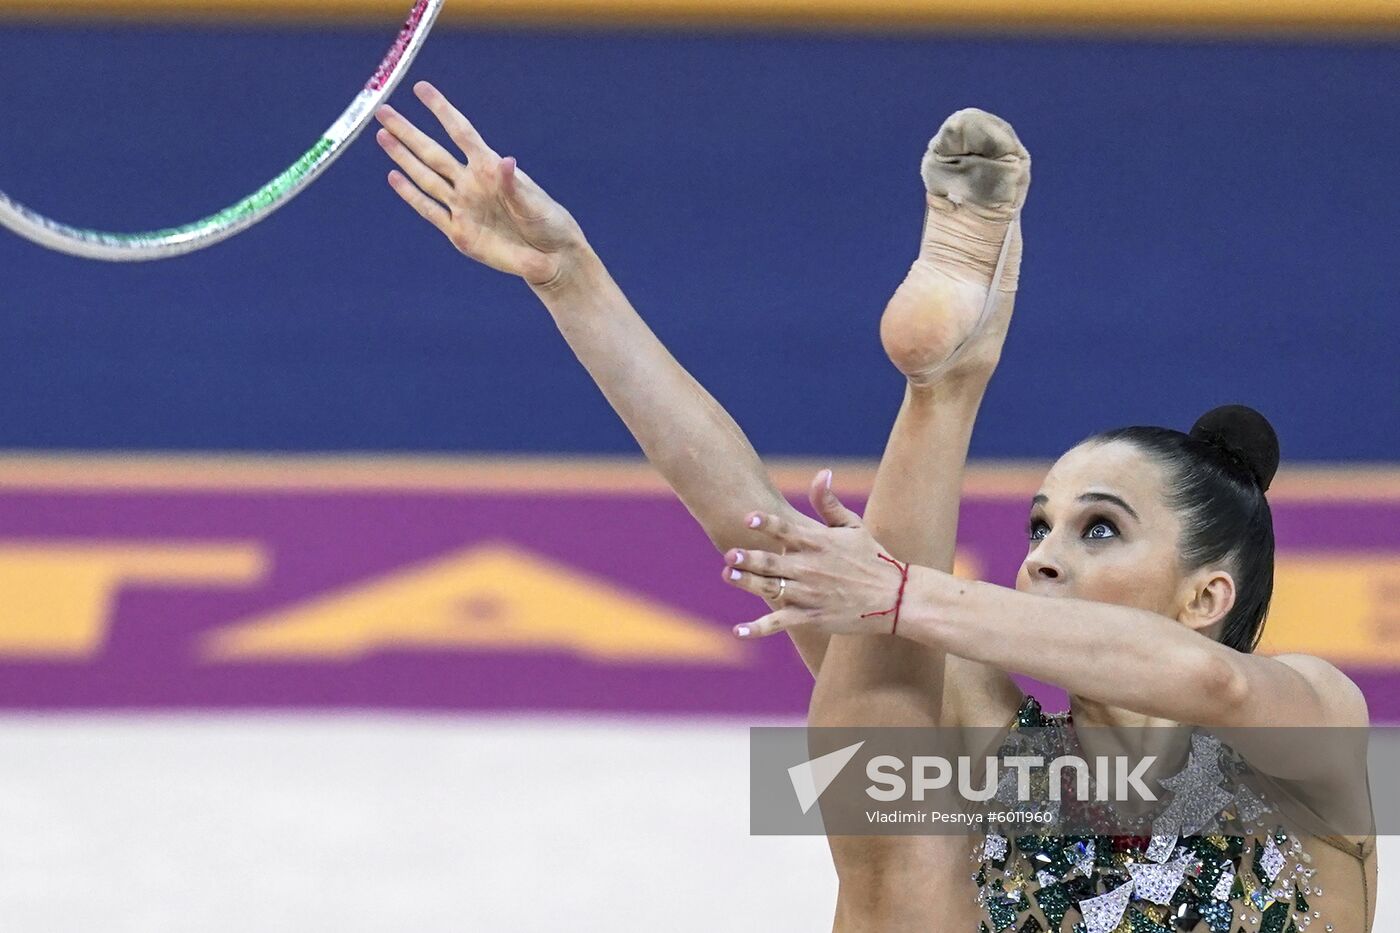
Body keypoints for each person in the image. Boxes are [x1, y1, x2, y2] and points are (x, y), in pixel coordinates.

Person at [373, 82, 1375, 931]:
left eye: (1098, 528)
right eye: (1038, 526)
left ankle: (950, 379)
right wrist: (571, 279)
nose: (1041, 555)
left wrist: (901, 593)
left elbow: (1213, 684)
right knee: (893, 752)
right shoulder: (993, 750)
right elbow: (753, 527)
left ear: (1205, 597)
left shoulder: (1305, 730)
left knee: (892, 692)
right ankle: (941, 383)